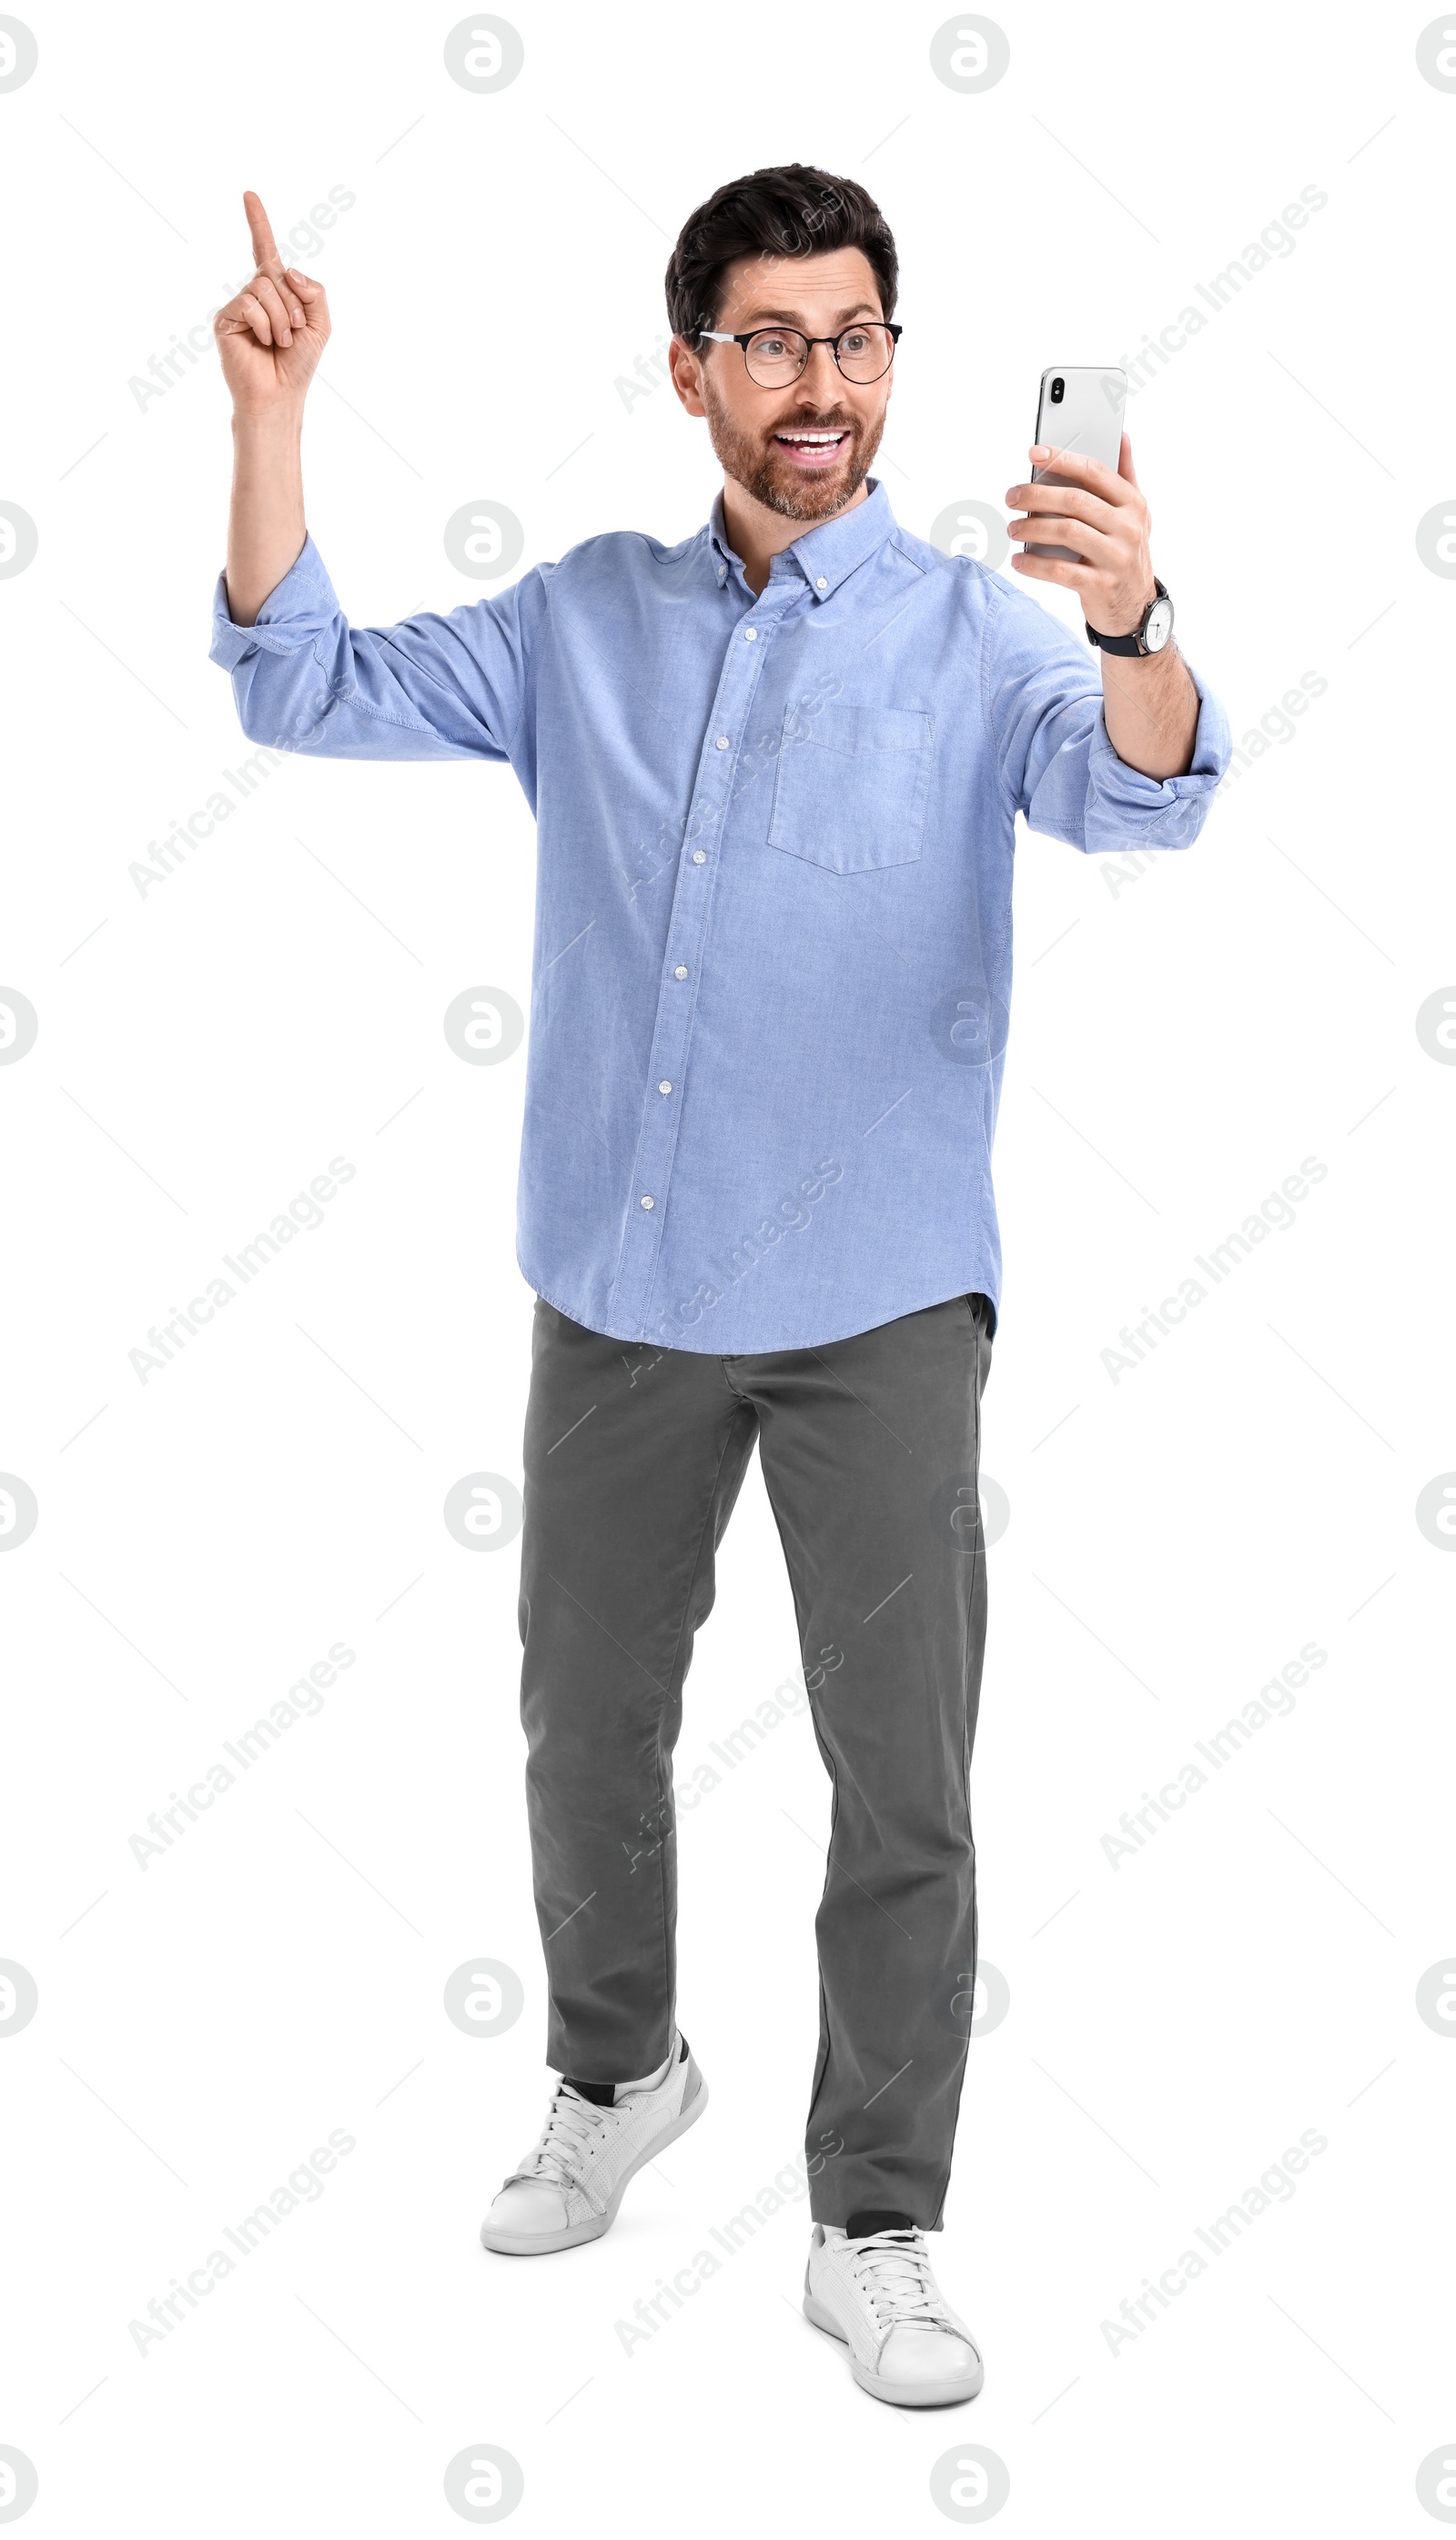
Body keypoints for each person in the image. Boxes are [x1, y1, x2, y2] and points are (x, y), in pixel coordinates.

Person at [210, 162, 1229, 2410]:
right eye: (767, 340)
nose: (817, 385)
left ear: (893, 366)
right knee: (584, 1728)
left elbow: (1145, 808)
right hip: (620, 1293)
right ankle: (615, 2071)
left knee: (904, 1789)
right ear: (689, 371)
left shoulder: (984, 637)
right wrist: (273, 413)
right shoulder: (579, 621)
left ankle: (874, 2217)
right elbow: (301, 684)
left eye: (853, 338)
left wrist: (1140, 625)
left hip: (878, 1314)